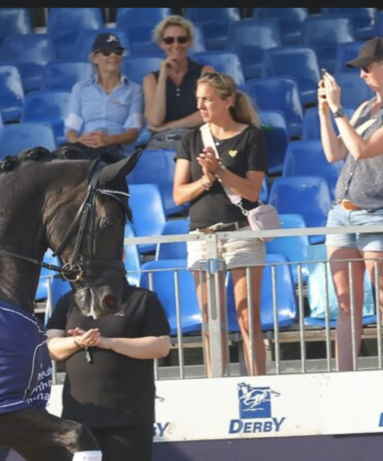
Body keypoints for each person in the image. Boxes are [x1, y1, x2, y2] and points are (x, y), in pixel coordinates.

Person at [46, 280, 170, 461]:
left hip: (129, 414)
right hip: (80, 419)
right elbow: (50, 348)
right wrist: (78, 341)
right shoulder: (69, 301)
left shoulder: (142, 299)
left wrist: (107, 343)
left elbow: (161, 346)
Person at [318, 37, 383, 371]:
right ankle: (345, 378)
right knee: (346, 304)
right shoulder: (362, 108)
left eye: (366, 67)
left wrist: (337, 109)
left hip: (380, 213)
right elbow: (335, 153)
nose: (361, 75)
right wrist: (323, 111)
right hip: (342, 212)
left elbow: (362, 149)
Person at [173, 72, 269, 377]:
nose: (201, 105)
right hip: (202, 236)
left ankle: (258, 387)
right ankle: (216, 389)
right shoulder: (191, 138)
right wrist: (206, 178)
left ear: (227, 101)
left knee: (247, 318)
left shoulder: (251, 136)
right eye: (198, 99)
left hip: (240, 233)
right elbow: (178, 195)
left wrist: (219, 170)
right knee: (210, 319)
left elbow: (252, 191)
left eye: (207, 99)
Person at [64, 32, 143, 163]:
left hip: (118, 153)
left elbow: (134, 131)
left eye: (118, 51)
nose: (113, 55)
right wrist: (78, 142)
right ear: (95, 58)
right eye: (106, 52)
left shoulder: (135, 89)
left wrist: (109, 140)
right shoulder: (80, 88)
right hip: (85, 152)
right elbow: (71, 128)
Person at [142, 15, 214, 151]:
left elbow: (209, 113)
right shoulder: (151, 79)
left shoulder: (205, 72)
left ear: (189, 42)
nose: (176, 45)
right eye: (169, 40)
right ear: (162, 44)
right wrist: (163, 77)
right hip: (161, 143)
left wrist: (169, 126)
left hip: (196, 141)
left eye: (182, 39)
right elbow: (155, 120)